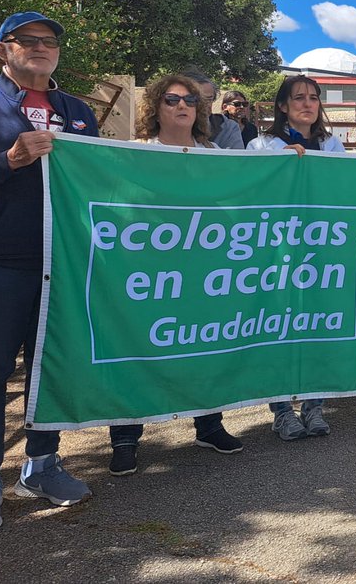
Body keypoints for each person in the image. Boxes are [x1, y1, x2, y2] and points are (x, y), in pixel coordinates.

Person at [0, 12, 97, 533]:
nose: (42, 48)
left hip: (64, 264)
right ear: (4, 50)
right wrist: (8, 160)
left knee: (53, 369)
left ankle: (42, 465)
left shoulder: (78, 111)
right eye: (29, 41)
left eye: (50, 42)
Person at [107, 76, 244, 475]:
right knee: (136, 345)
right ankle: (126, 437)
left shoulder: (215, 152)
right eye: (172, 99)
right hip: (149, 270)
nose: (182, 106)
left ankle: (209, 425)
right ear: (156, 107)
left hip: (204, 270)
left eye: (190, 100)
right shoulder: (135, 152)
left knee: (205, 342)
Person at [248, 75, 346, 439]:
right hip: (278, 253)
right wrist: (279, 165)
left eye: (314, 98)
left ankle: (314, 405)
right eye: (299, 97)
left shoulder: (332, 145)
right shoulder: (262, 144)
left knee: (318, 326)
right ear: (283, 105)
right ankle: (281, 410)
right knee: (280, 327)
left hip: (322, 250)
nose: (308, 104)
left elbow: (344, 190)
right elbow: (252, 191)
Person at [182, 71, 243, 150]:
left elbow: (235, 161)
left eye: (208, 99)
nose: (203, 104)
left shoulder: (228, 128)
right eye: (195, 99)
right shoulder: (166, 130)